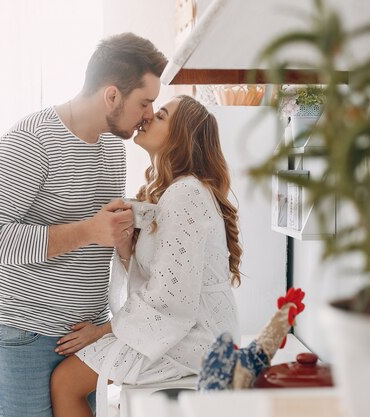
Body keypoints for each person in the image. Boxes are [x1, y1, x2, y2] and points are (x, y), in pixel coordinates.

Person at [0, 33, 168, 417]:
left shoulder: (113, 146)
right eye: (144, 103)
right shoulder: (30, 141)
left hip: (85, 333)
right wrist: (89, 230)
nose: (149, 114)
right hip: (25, 333)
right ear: (112, 95)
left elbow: (104, 232)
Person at [49, 95, 242, 417]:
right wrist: (126, 245)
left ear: (182, 136)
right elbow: (159, 274)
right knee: (70, 381)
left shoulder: (185, 194)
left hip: (193, 337)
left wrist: (104, 330)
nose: (148, 117)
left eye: (161, 116)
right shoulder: (172, 192)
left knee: (66, 381)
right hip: (187, 329)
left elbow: (172, 297)